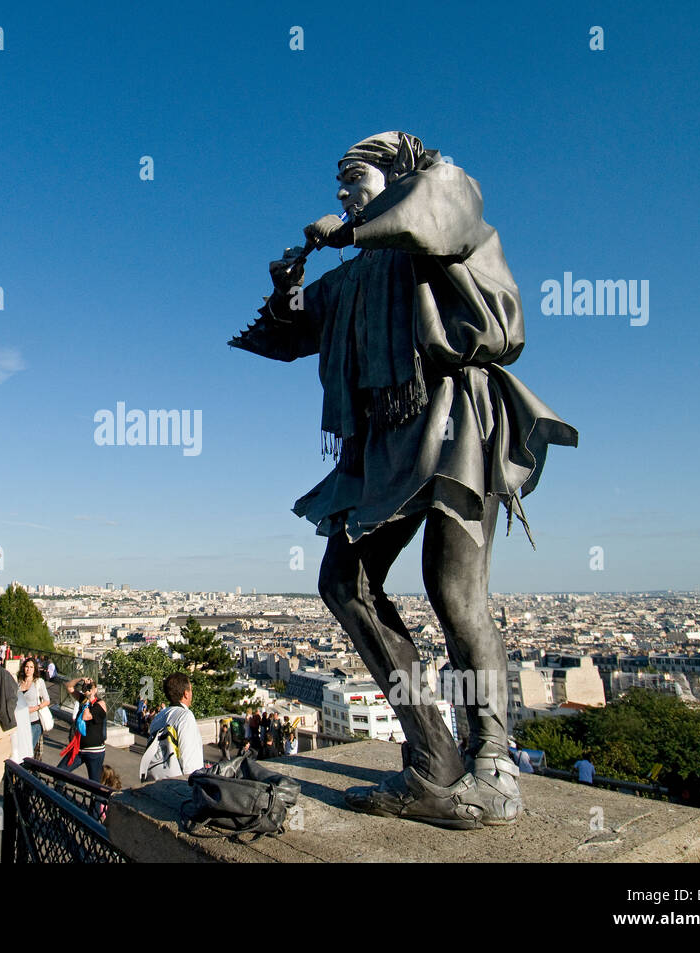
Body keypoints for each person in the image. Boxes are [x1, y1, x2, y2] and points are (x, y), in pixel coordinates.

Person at [235, 131, 577, 829]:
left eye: (352, 178)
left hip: (452, 420)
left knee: (455, 591)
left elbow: (435, 212)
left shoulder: (446, 198)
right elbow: (295, 334)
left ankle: (494, 763)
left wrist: (353, 228)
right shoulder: (358, 273)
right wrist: (287, 291)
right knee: (343, 581)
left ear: (395, 176)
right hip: (385, 442)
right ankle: (433, 758)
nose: (339, 194)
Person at [142, 673, 204, 780]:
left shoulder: (159, 717)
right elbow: (190, 763)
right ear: (186, 694)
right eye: (191, 690)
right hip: (177, 784)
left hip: (156, 780)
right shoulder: (185, 716)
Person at [59, 678, 107, 782]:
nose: (87, 689)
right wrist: (80, 679)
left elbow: (86, 716)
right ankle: (58, 796)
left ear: (95, 690)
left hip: (94, 752)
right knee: (59, 772)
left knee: (94, 784)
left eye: (90, 687)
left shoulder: (100, 703)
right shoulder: (84, 700)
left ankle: (99, 798)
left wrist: (88, 699)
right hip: (78, 748)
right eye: (85, 687)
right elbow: (69, 686)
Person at [13, 658, 51, 762]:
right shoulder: (19, 683)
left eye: (31, 667)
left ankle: (25, 774)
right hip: (20, 722)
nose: (28, 670)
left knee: (27, 752)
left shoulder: (38, 682)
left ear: (34, 669)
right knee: (18, 751)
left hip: (34, 722)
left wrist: (35, 708)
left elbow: (47, 700)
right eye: (26, 667)